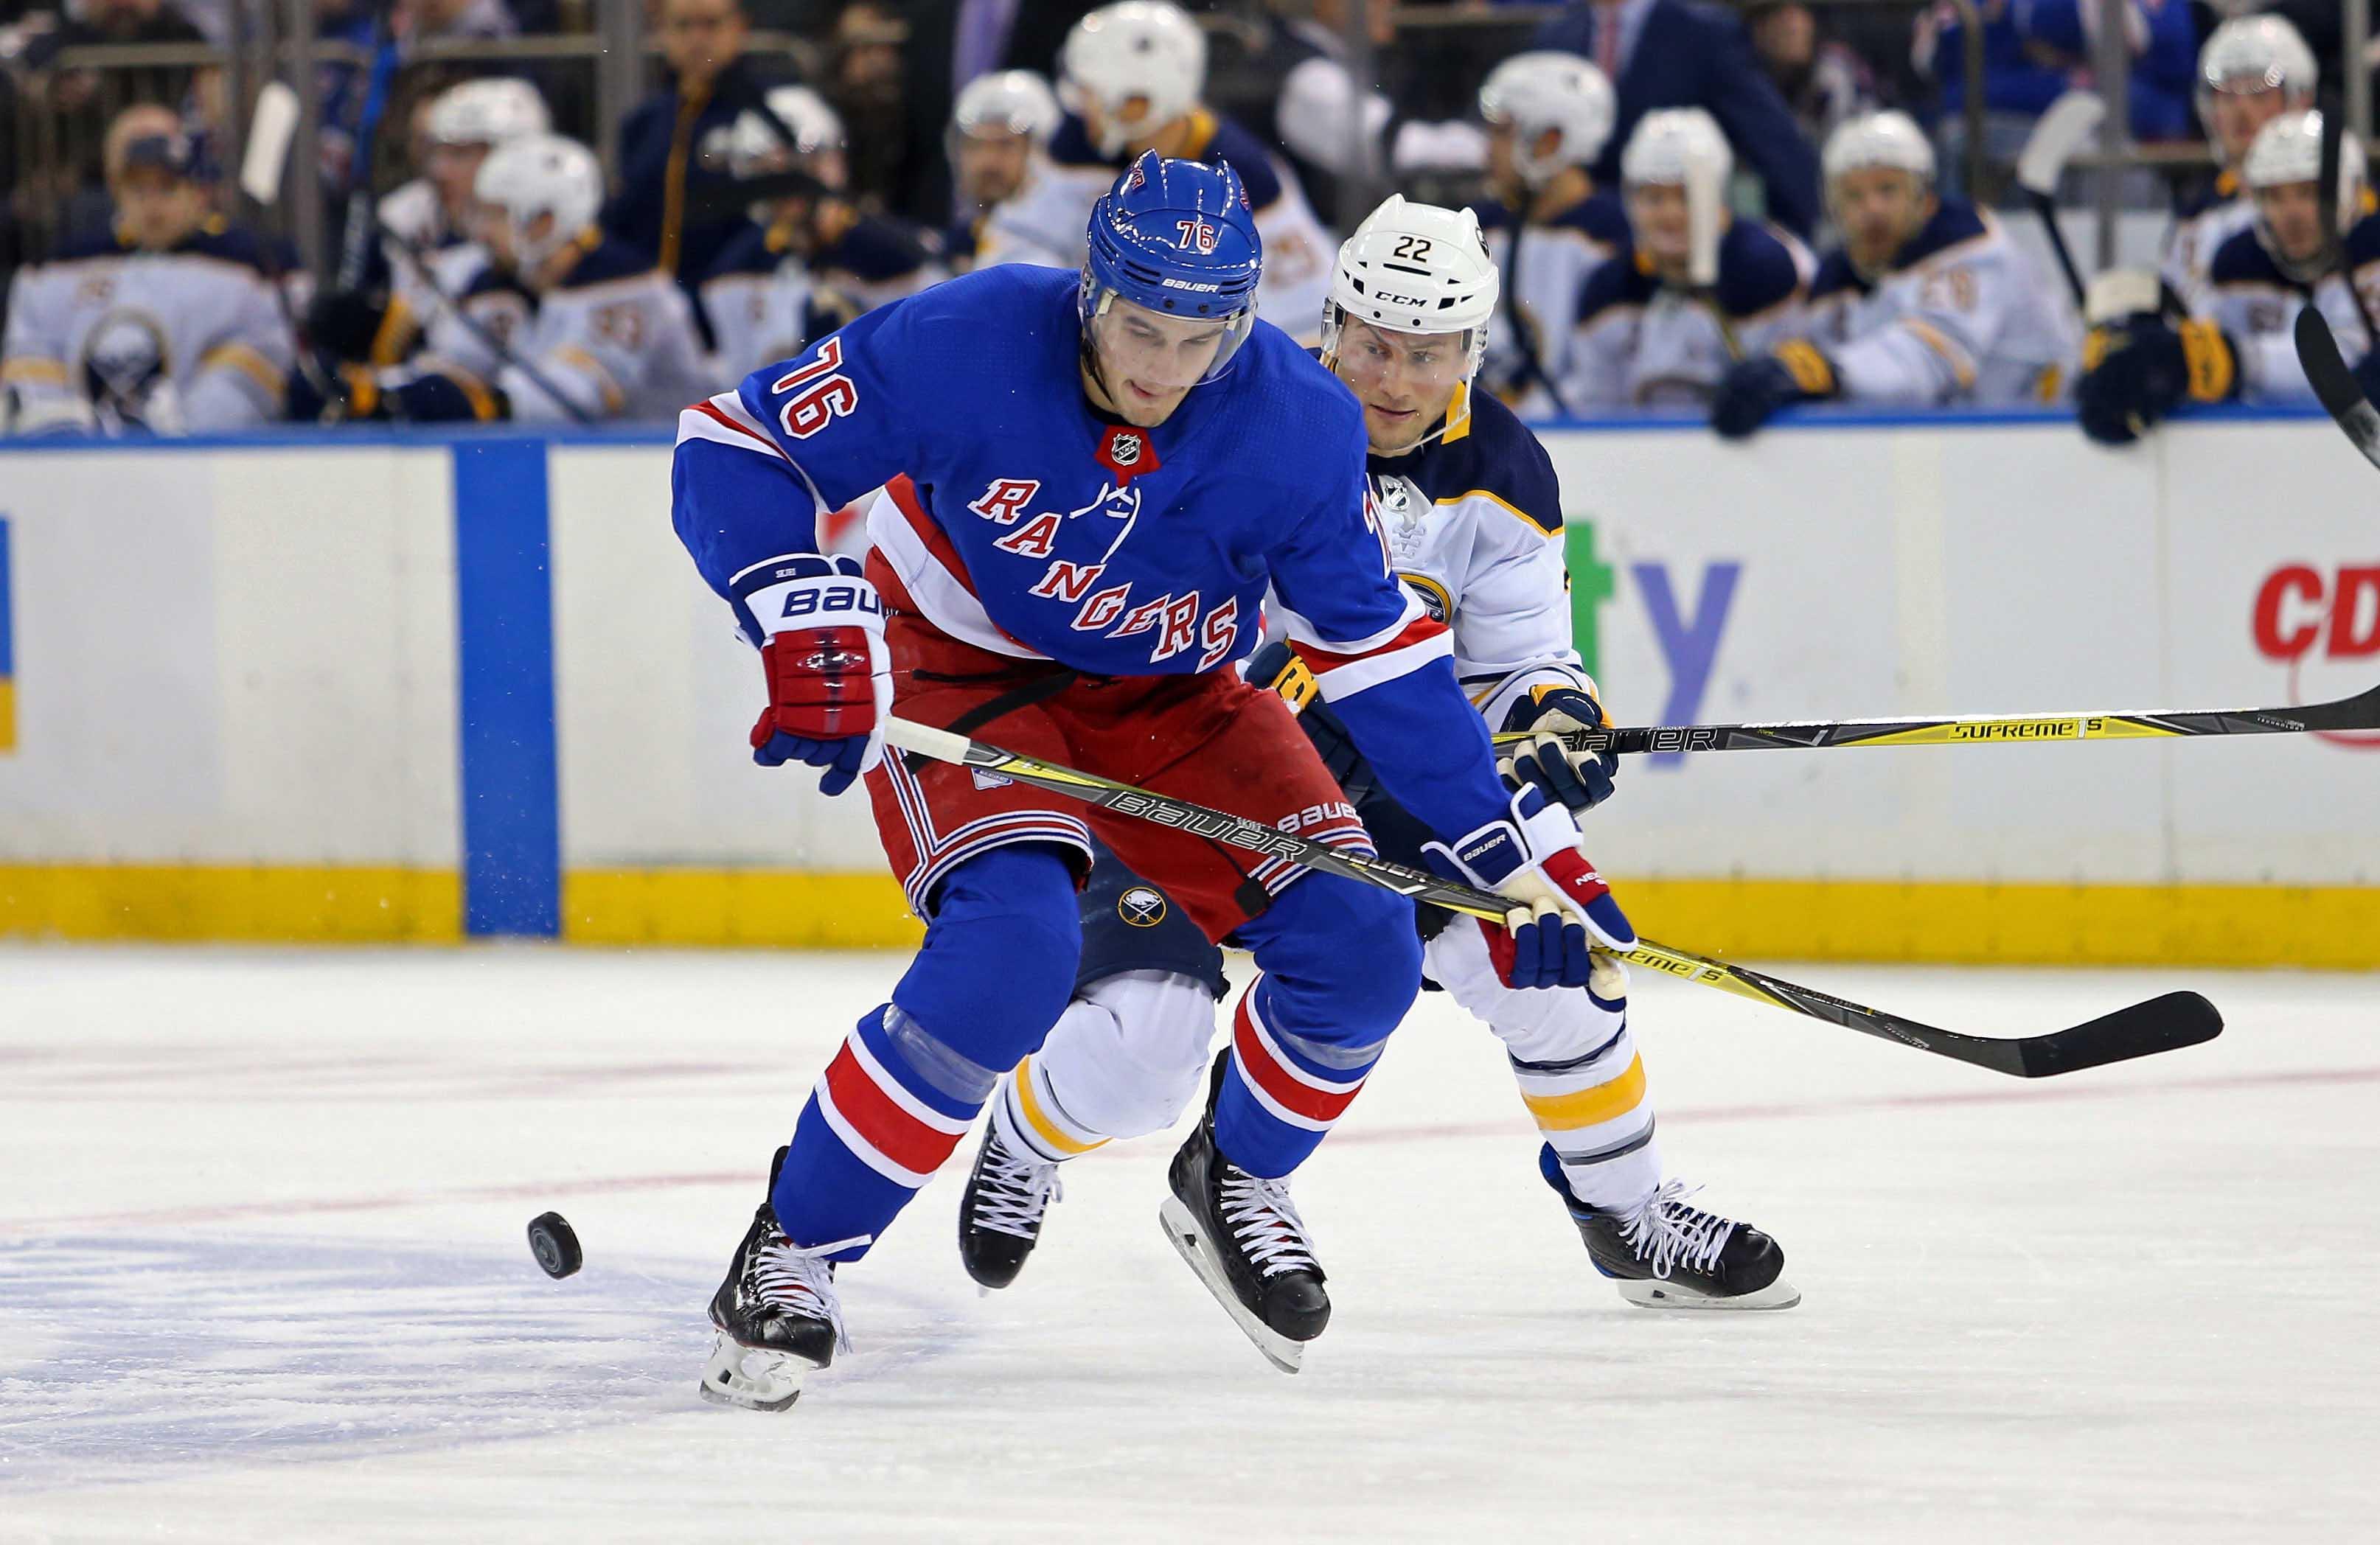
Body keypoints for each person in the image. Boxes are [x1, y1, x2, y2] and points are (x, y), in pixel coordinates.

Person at [671, 153, 1636, 1406]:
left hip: (1175, 697)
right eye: (1139, 327)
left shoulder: (1297, 420)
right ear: (1089, 290)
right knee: (1009, 957)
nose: (1164, 369)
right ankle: (794, 1247)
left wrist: (1507, 860)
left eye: (1200, 336)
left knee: (1361, 948)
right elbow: (733, 443)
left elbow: (1381, 663)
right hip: (962, 670)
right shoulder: (966, 333)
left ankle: (1232, 1176)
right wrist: (796, 607)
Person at [948, 192, 1797, 1328]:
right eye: (1375, 346)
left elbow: (1524, 654)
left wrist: (1552, 710)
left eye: (1428, 355)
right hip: (1180, 762)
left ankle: (1623, 1212)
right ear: (1332, 324)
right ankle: (1029, 1133)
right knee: (1143, 1042)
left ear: (1472, 351)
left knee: (1566, 963)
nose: (1394, 379)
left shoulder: (1501, 465)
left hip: (1390, 777)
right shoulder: (1230, 415)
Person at [988, 1, 1339, 344]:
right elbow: (1021, 239)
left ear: (1139, 100)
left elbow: (1303, 322)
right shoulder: (1076, 145)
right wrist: (1058, 309)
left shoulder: (1244, 176)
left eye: (1091, 91)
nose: (1082, 104)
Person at [296, 134, 710, 425]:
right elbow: (457, 364)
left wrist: (482, 403)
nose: (481, 232)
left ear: (545, 222)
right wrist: (373, 390)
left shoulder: (628, 284)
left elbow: (577, 398)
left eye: (497, 215)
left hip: (660, 473)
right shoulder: (500, 279)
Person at [1709, 110, 2073, 439]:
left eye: (1888, 190)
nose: (1873, 209)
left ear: (1923, 197)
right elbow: (1802, 362)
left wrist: (1828, 371)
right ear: (1835, 211)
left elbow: (1927, 363)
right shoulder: (1837, 280)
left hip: (2038, 446)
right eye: (1854, 196)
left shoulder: (1970, 251)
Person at [2078, 111, 2380, 444]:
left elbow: (2354, 368)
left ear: (2348, 192)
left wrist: (2233, 361)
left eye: (2307, 193)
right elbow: (2201, 343)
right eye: (2276, 196)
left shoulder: (2372, 253)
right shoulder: (2238, 262)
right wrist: (2141, 354)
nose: (2291, 214)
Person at [3, 108, 291, 436]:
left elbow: (250, 374)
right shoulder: (65, 264)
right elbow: (32, 357)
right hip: (77, 463)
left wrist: (187, 424)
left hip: (199, 461)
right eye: (138, 190)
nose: (152, 205)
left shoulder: (244, 265)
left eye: (167, 188)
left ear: (198, 193)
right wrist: (59, 427)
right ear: (118, 193)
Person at [1570, 108, 1814, 408]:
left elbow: (1790, 388)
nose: (1670, 215)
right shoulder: (1609, 287)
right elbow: (1596, 411)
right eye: (1654, 198)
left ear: (1718, 198)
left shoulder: (1763, 268)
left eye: (1686, 196)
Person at [699, 86, 943, 384]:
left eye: (796, 172)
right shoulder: (735, 269)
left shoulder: (895, 252)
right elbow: (740, 384)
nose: (785, 192)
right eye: (769, 175)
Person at [1534, 0, 1821, 237]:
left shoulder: (1704, 32)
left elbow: (1776, 143)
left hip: (1674, 245)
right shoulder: (1556, 35)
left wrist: (1795, 247)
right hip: (1573, 251)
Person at [327, 77, 550, 369]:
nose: (438, 171)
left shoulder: (559, 248)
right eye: (437, 153)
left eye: (459, 155)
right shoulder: (422, 232)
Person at [1471, 51, 1628, 417]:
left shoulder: (1613, 236)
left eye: (1503, 132)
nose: (1488, 149)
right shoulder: (1478, 225)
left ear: (1550, 141)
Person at [603, 0, 787, 286]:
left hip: (742, 301)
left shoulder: (773, 113)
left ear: (739, 28)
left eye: (711, 25)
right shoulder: (642, 123)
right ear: (662, 32)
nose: (697, 39)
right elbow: (623, 221)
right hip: (659, 312)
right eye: (683, 26)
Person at [2164, 14, 2317, 318]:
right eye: (2227, 95)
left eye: (2260, 93)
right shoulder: (2195, 217)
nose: (2242, 110)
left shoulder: (2338, 202)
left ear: (2299, 100)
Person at [942, 69, 1073, 271]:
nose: (988, 161)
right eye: (975, 145)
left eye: (1005, 144)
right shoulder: (965, 239)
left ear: (1038, 152)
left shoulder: (1076, 226)